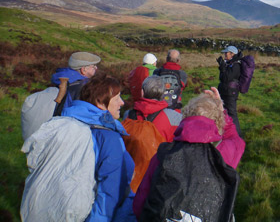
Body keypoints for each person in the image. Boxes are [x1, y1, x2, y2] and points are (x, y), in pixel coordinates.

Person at [21, 77, 136, 222]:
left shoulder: (63, 122)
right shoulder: (108, 137)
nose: (122, 103)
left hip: (48, 209)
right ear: (101, 102)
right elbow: (110, 191)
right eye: (117, 98)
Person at [133, 87, 245, 221]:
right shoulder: (221, 155)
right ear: (218, 123)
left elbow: (140, 202)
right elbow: (236, 141)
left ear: (185, 117)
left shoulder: (163, 154)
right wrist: (222, 111)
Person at [21, 51, 101, 141]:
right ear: (83, 70)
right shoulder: (83, 86)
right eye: (93, 66)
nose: (96, 68)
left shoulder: (60, 79)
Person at [124, 74, 182, 141]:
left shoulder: (128, 115)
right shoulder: (175, 117)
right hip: (161, 151)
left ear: (142, 92)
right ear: (163, 94)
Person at [217, 46, 243, 136]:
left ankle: (238, 136)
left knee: (232, 114)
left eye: (226, 53)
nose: (224, 54)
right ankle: (227, 133)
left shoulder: (236, 65)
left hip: (230, 93)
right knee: (223, 113)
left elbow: (226, 78)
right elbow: (221, 78)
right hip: (225, 92)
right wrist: (222, 66)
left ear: (232, 54)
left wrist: (222, 67)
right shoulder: (230, 63)